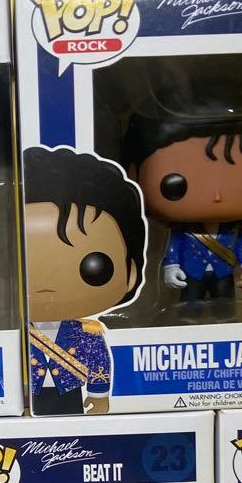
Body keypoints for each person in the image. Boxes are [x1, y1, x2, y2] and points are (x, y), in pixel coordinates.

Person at [22, 146, 146, 415]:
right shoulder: (17, 334)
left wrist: (98, 395)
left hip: (69, 391)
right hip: (29, 395)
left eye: (94, 267)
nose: (48, 282)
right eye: (26, 266)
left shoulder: (88, 332)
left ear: (131, 273)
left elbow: (99, 362)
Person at [123, 113, 242, 304]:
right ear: (134, 176)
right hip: (193, 272)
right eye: (176, 184)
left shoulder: (235, 228)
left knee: (225, 308)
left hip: (223, 272)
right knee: (188, 308)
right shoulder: (182, 230)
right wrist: (171, 267)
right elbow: (174, 247)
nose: (217, 196)